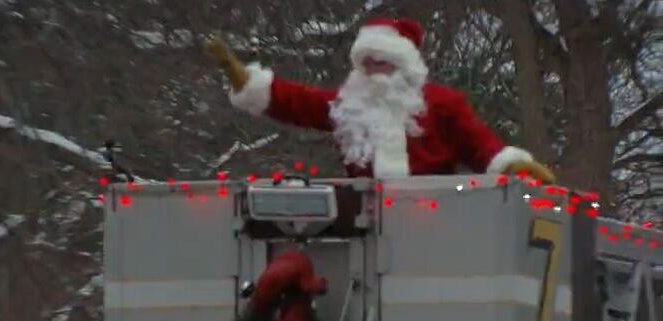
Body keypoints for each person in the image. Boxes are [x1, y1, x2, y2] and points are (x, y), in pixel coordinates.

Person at [205, 17, 555, 182]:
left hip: (439, 216)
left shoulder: (441, 104)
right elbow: (299, 102)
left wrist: (515, 166)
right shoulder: (350, 105)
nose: (373, 69)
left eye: (382, 61)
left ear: (404, 65)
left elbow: (481, 146)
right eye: (366, 62)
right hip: (367, 222)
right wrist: (245, 80)